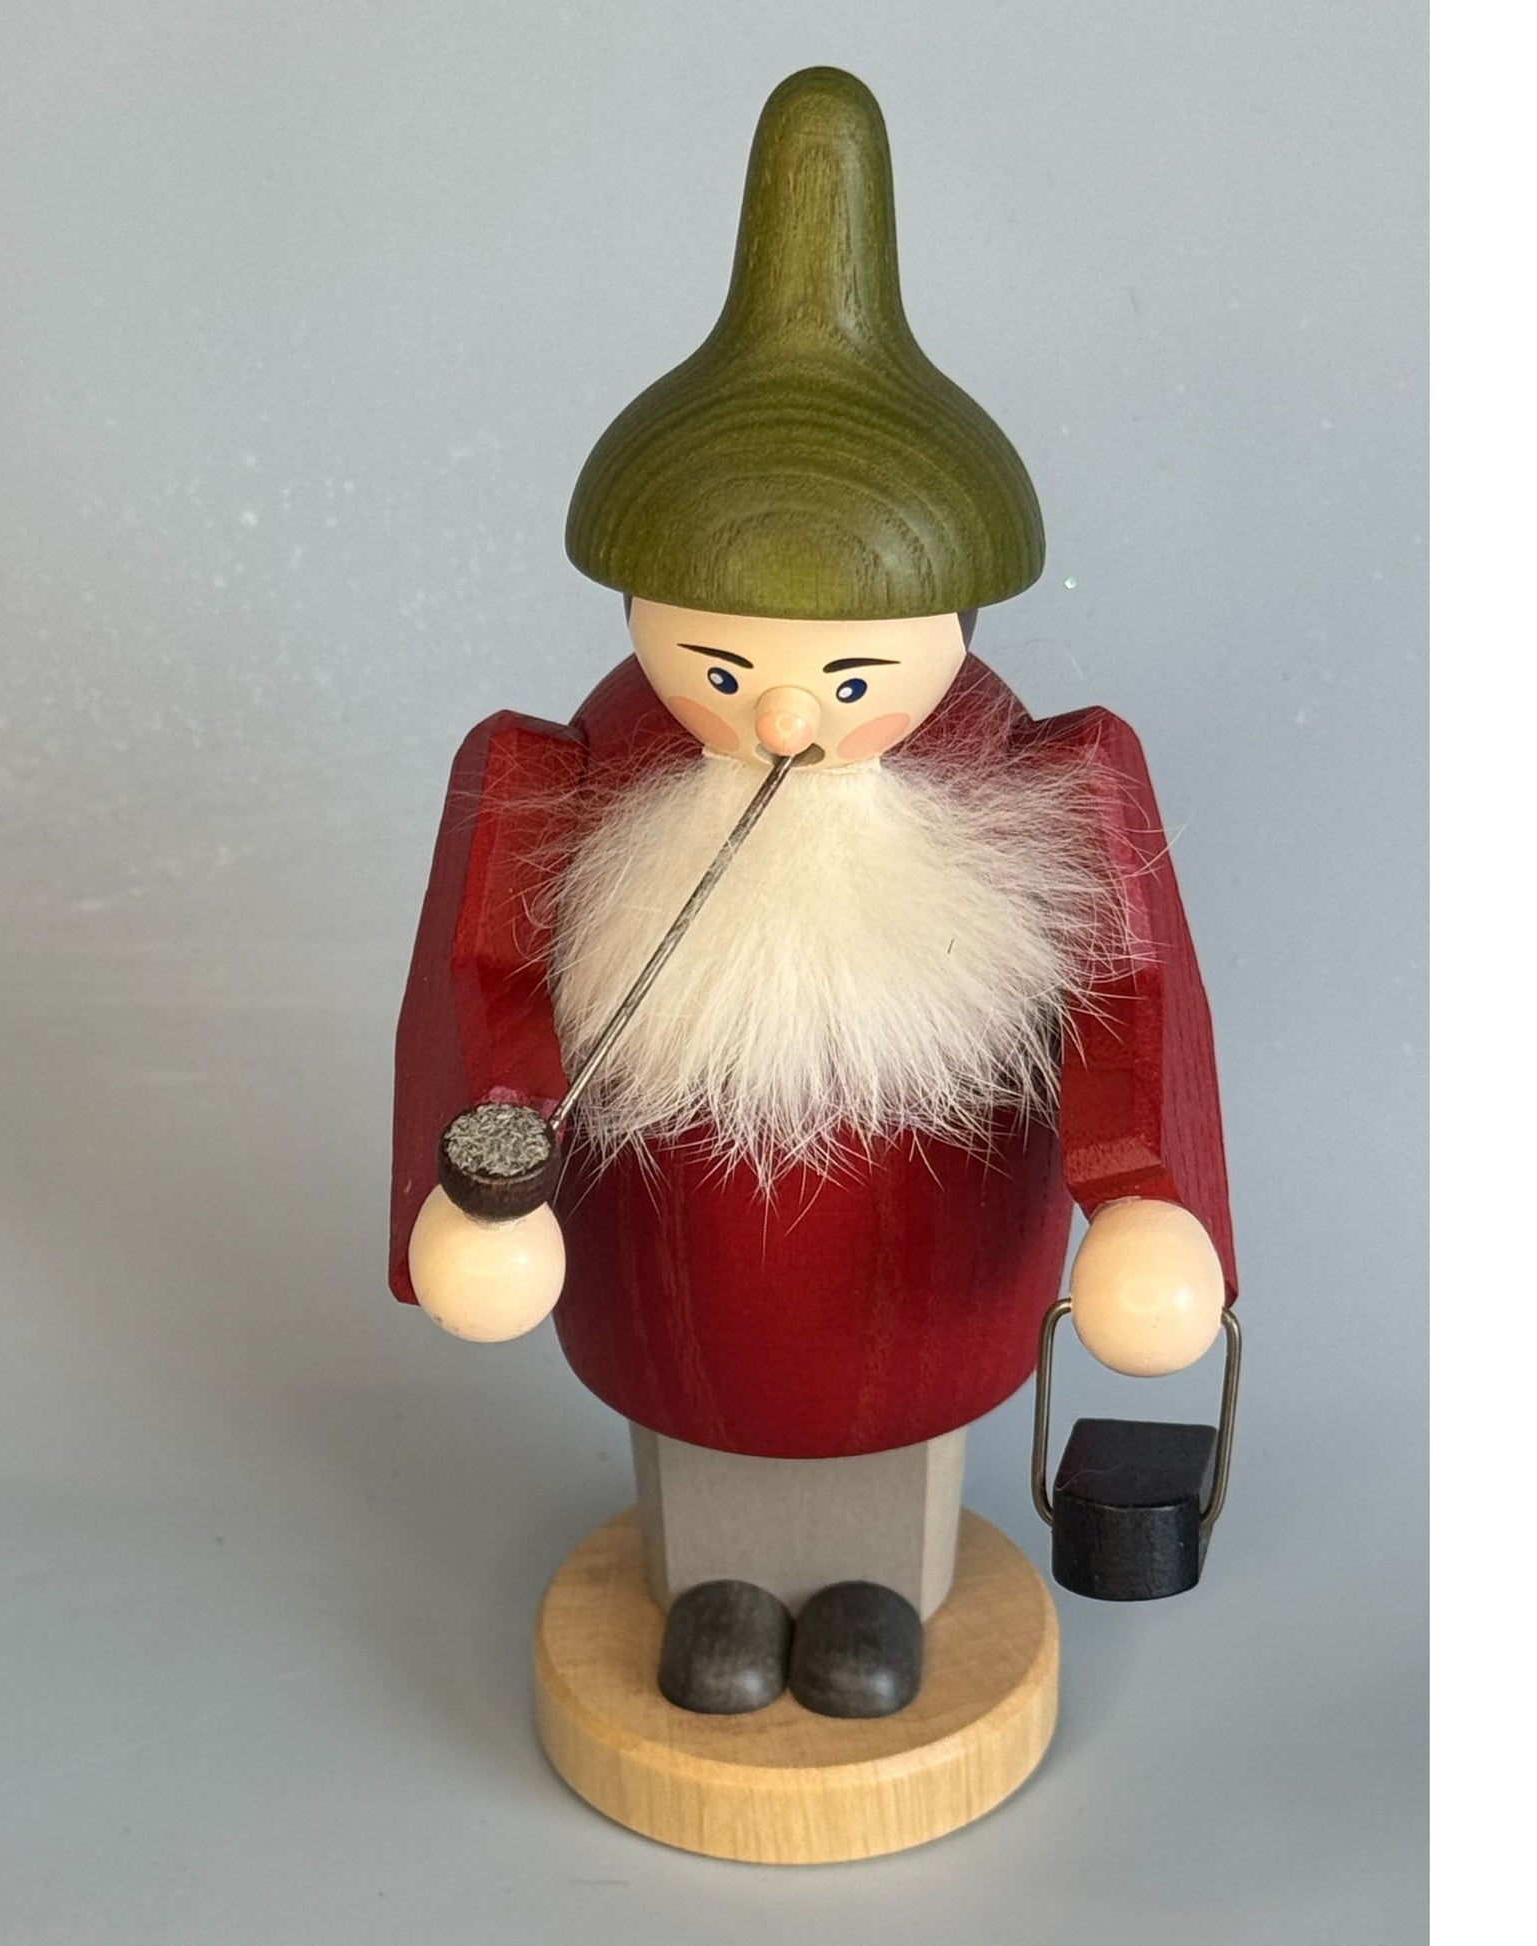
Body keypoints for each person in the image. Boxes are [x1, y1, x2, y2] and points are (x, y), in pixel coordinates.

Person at [390, 67, 1235, 1719]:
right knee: (698, 1401)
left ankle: (876, 1583)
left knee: (889, 1417)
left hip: (928, 1252)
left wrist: (1145, 1198)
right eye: (718, 667)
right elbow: (480, 981)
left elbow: (1134, 1000)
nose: (784, 717)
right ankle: (707, 1578)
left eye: (850, 678)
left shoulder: (1050, 780)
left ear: (952, 623)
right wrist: (484, 1184)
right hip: (671, 1256)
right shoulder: (555, 777)